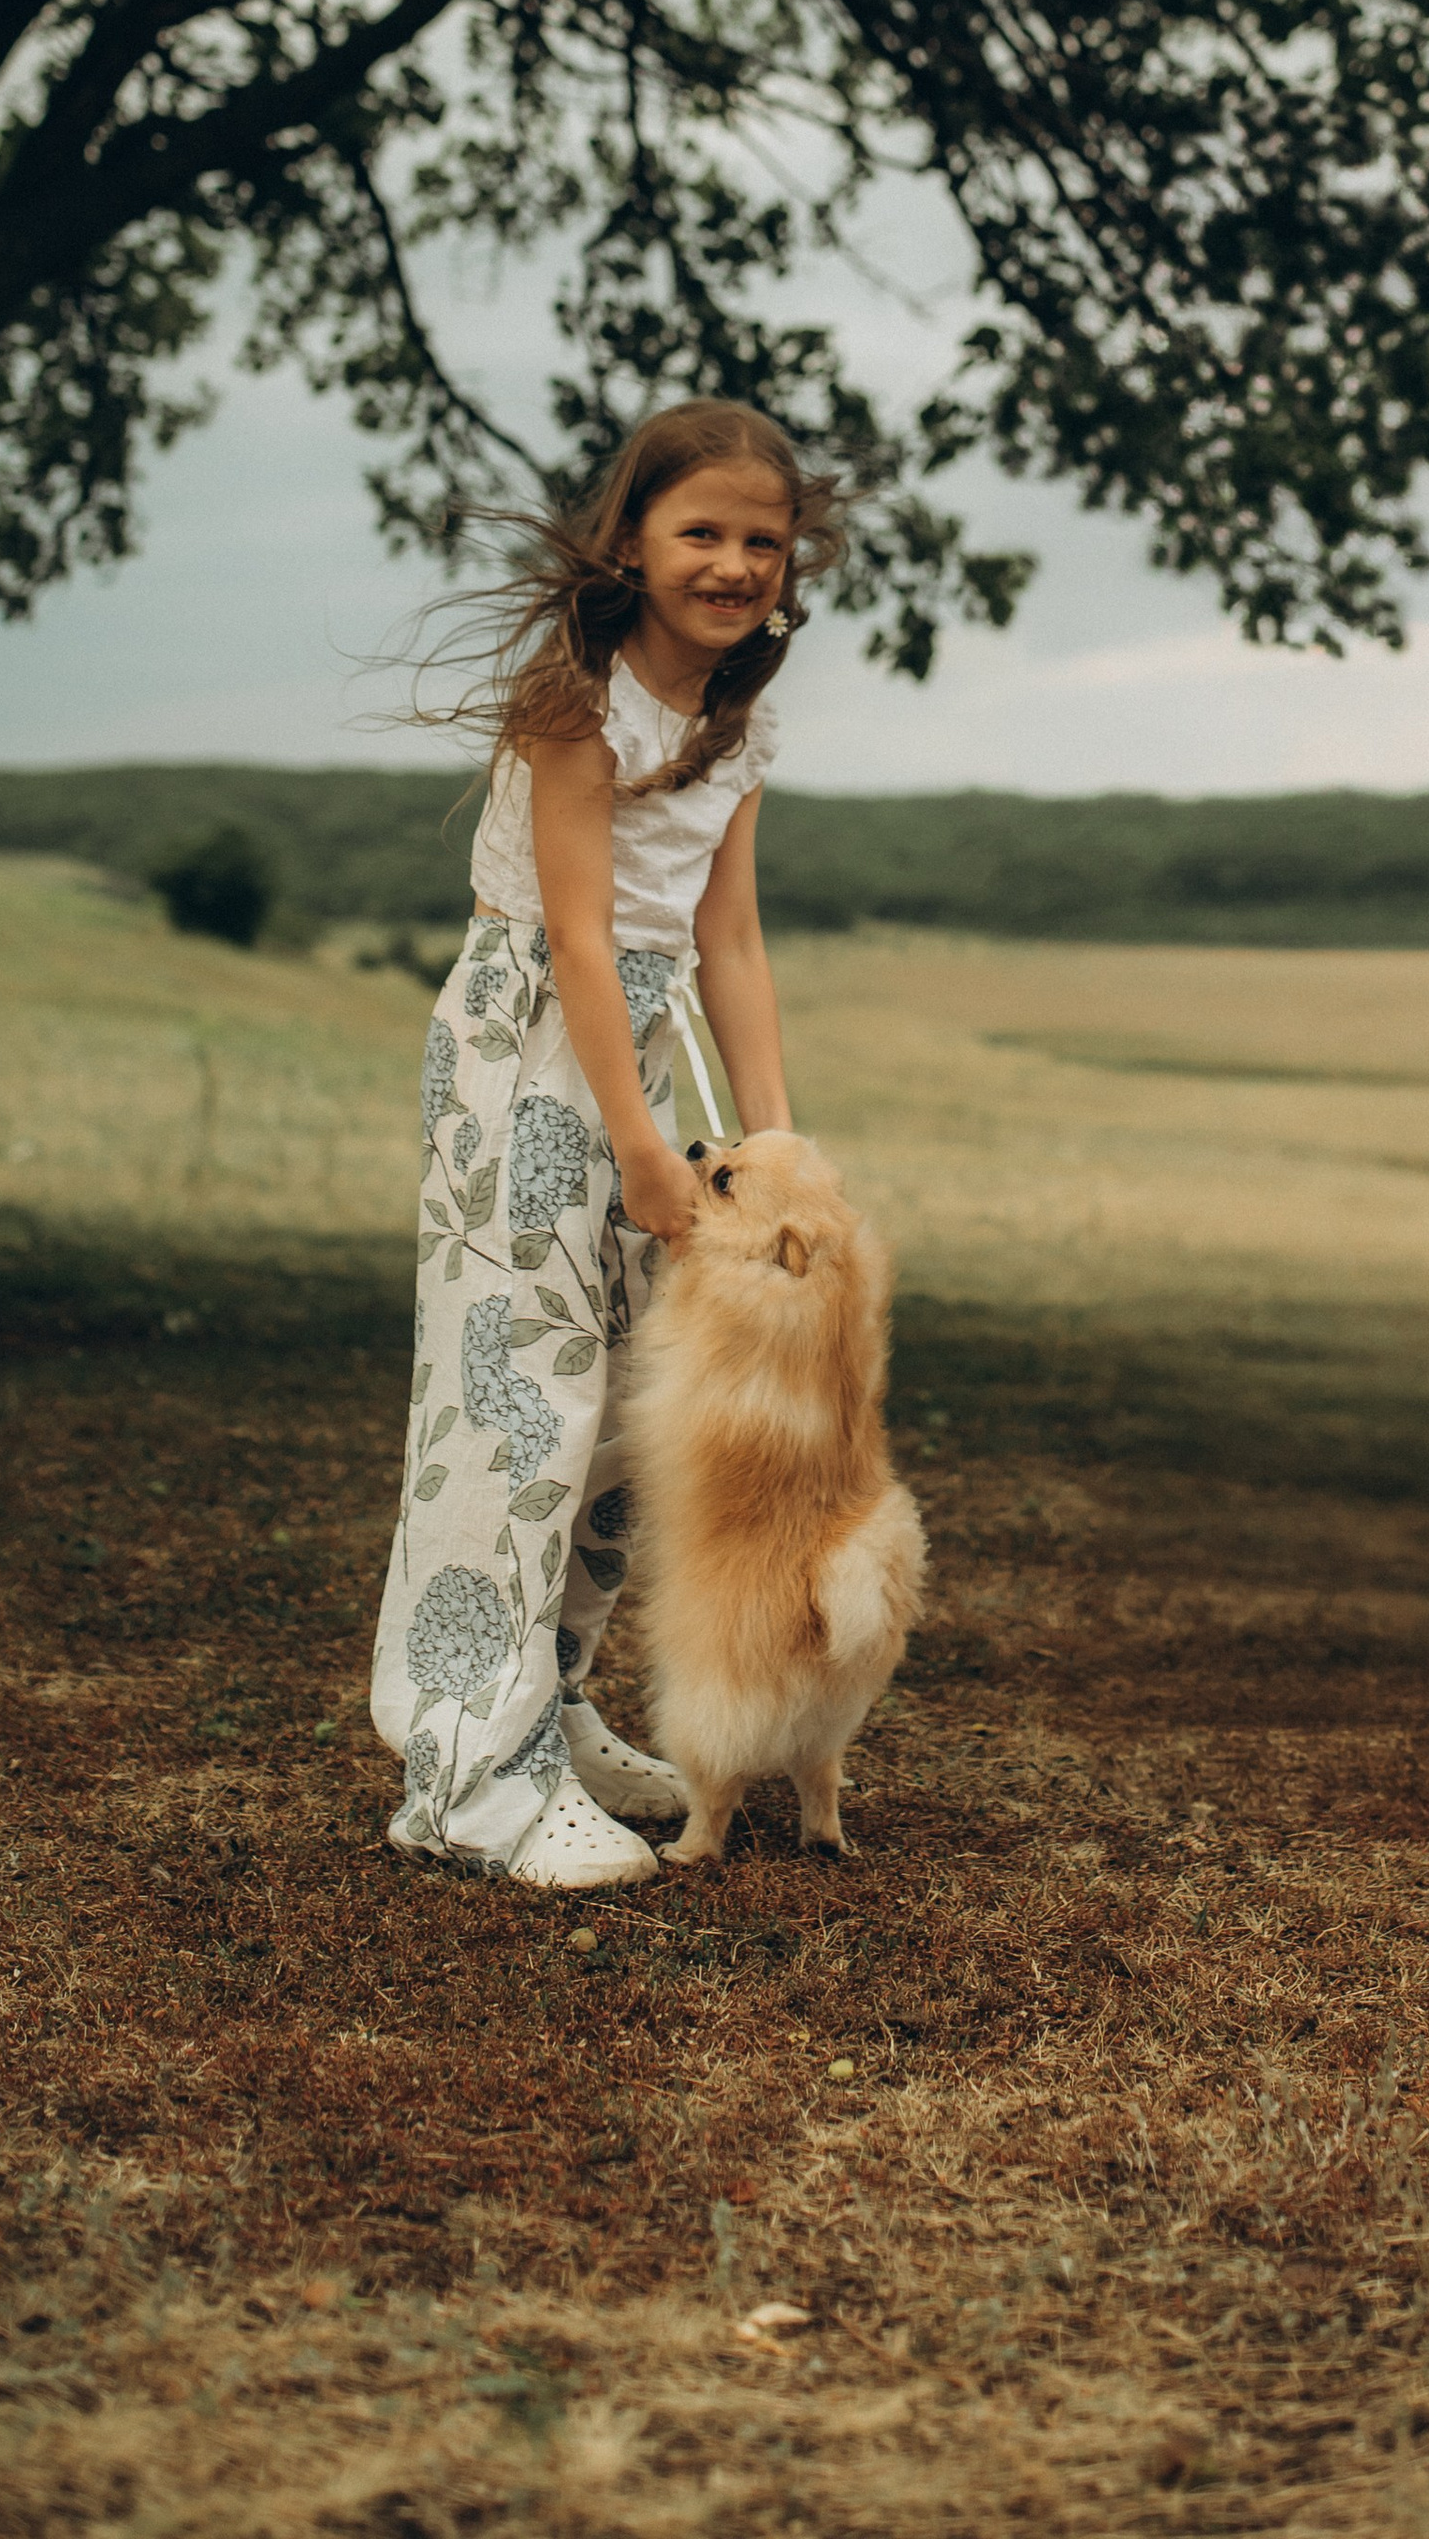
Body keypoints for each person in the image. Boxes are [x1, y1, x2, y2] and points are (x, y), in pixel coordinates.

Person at [369, 400, 843, 1888]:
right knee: (518, 1400)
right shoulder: (574, 703)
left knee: (639, 1409)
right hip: (536, 1063)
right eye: (701, 531)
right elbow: (578, 939)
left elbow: (732, 940)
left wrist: (773, 1148)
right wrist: (637, 1147)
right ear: (630, 542)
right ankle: (460, 1768)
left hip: (653, 1066)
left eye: (762, 541)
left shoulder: (739, 719)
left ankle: (548, 1714)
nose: (733, 563)